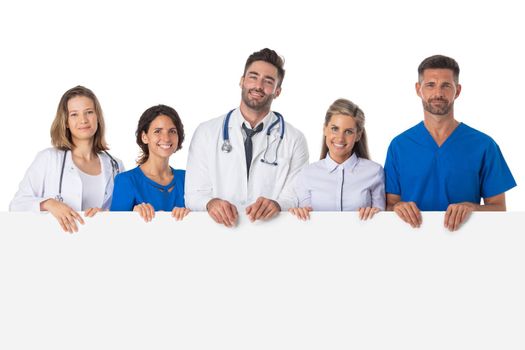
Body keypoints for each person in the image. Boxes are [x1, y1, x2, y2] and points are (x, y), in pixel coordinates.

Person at [384, 55, 517, 231]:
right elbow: (389, 205)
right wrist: (397, 208)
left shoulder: (484, 145)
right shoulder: (399, 146)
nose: (438, 93)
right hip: (411, 242)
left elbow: (499, 208)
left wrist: (473, 208)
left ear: (458, 90)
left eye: (446, 86)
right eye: (430, 85)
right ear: (418, 89)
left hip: (467, 244)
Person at [185, 48, 309, 227]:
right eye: (253, 77)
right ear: (242, 81)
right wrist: (210, 203)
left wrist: (277, 205)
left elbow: (295, 196)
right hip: (218, 233)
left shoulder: (295, 139)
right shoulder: (206, 132)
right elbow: (193, 195)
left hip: (270, 233)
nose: (258, 86)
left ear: (277, 91)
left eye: (268, 81)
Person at [10, 85, 124, 233]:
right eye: (74, 114)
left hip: (100, 241)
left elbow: (122, 213)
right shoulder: (49, 159)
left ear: (97, 117)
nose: (83, 120)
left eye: (89, 112)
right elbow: (17, 205)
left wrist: (106, 215)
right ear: (65, 122)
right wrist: (49, 204)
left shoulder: (115, 165)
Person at [289, 98, 385, 220]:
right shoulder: (307, 174)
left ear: (358, 135)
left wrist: (375, 214)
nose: (340, 138)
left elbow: (382, 220)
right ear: (325, 129)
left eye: (348, 132)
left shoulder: (374, 172)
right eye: (335, 129)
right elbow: (304, 220)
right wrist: (297, 214)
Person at [110, 104, 189, 222]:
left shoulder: (187, 179)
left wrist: (192, 216)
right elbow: (113, 229)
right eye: (158, 131)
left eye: (172, 131)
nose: (166, 138)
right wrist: (133, 216)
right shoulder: (126, 181)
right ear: (144, 137)